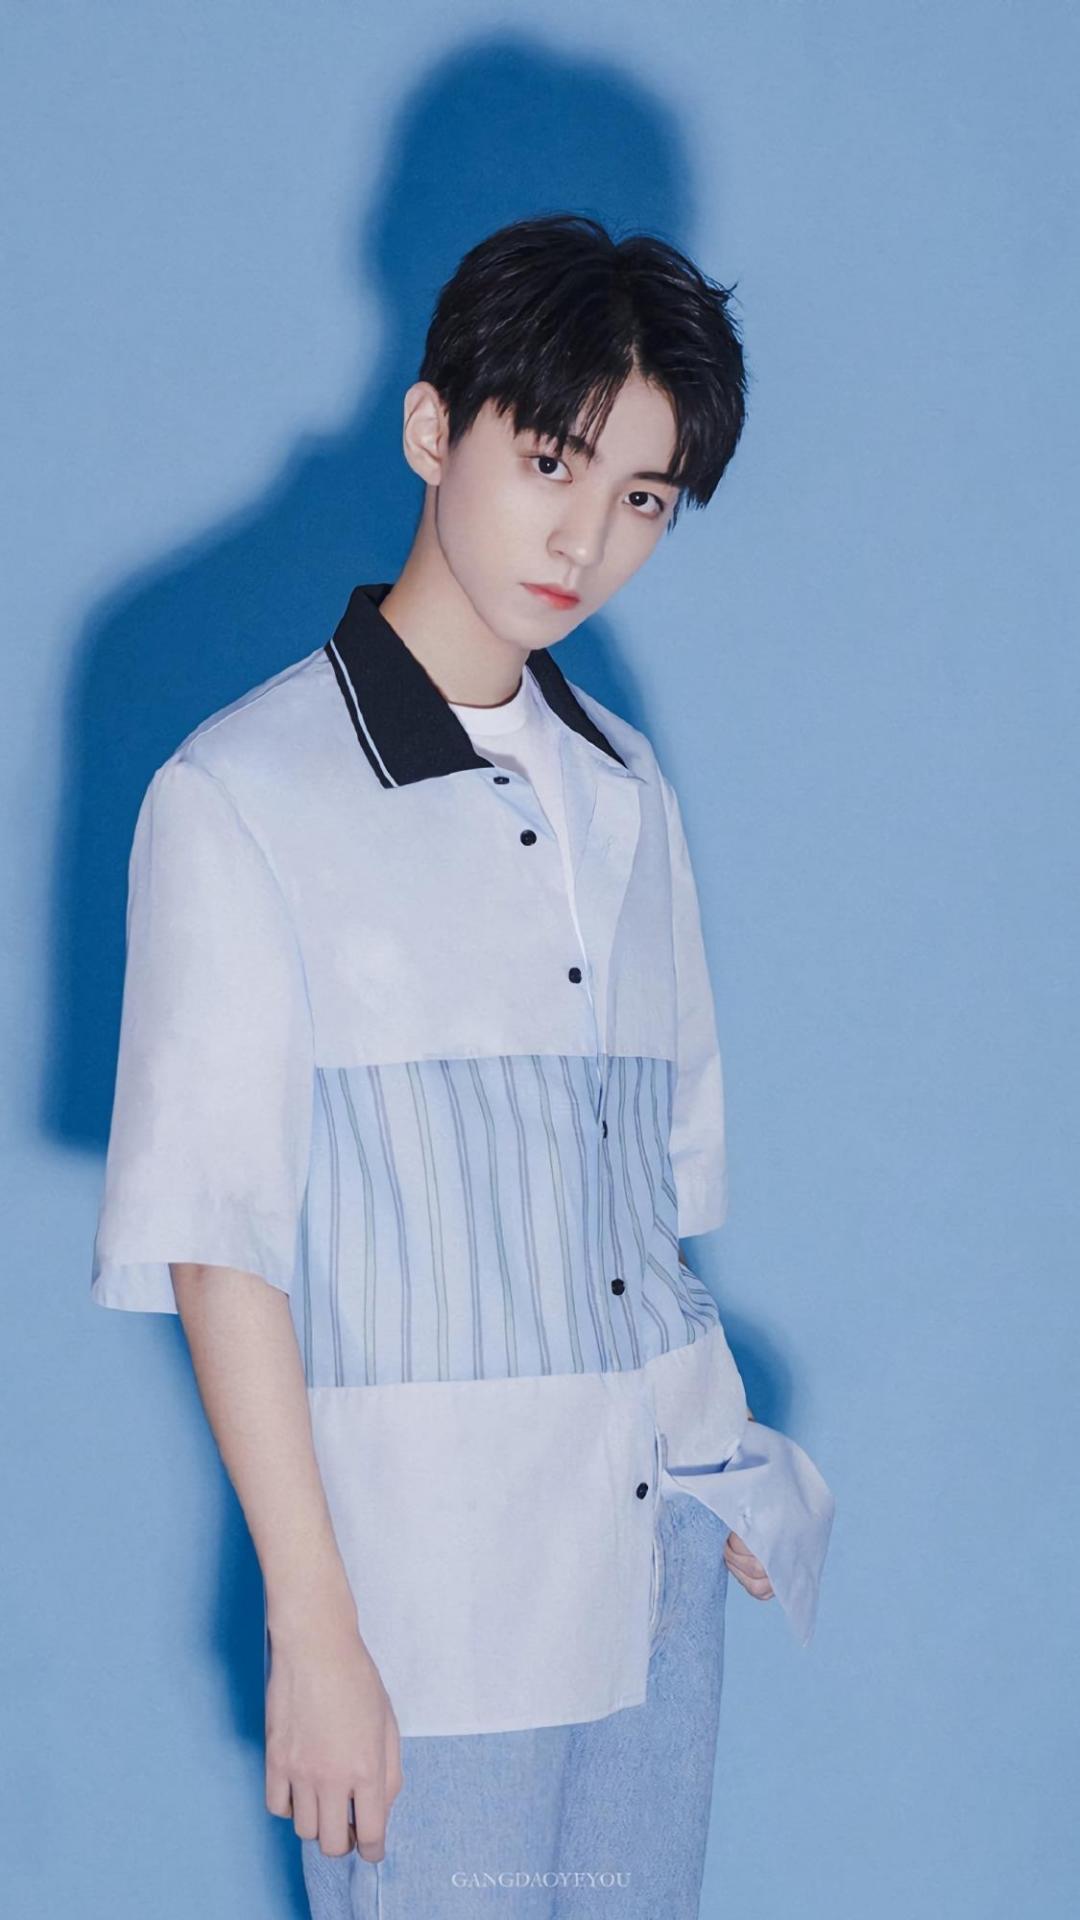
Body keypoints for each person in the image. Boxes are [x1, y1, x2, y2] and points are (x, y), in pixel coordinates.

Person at [90, 211, 835, 1919]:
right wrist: (314, 1628)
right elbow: (219, 1246)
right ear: (437, 430)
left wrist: (716, 1450)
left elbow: (637, 1203)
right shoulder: (240, 797)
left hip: (652, 1561)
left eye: (643, 497)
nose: (586, 536)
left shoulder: (624, 786)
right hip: (429, 1607)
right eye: (552, 460)